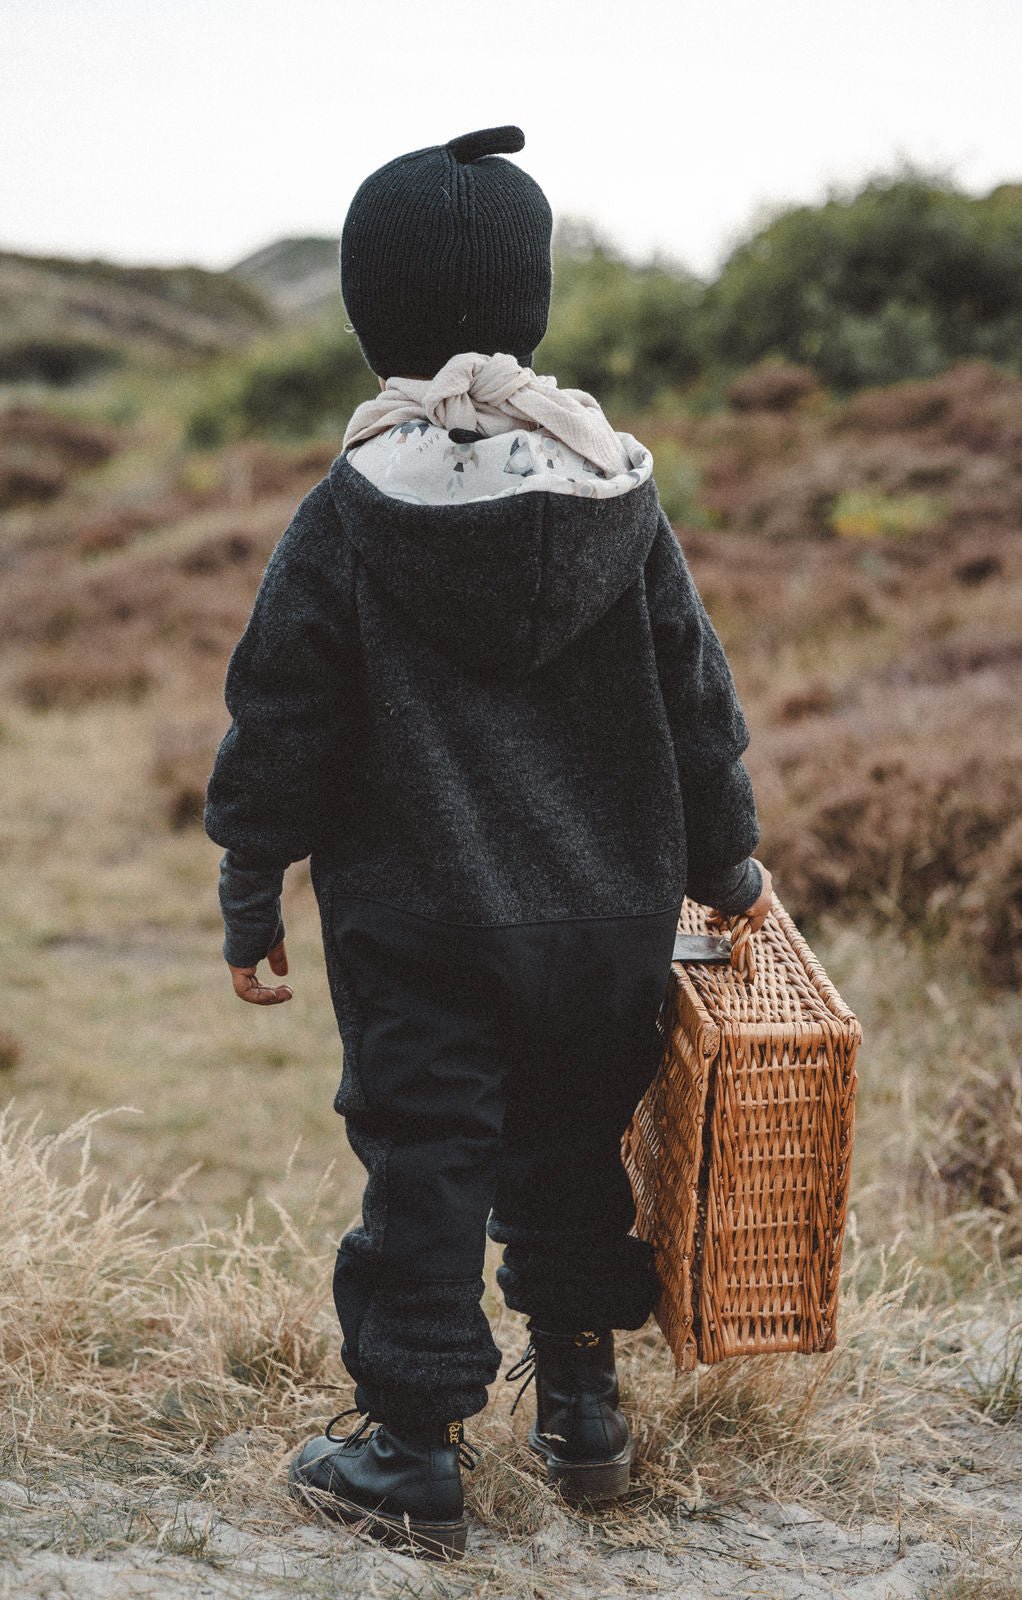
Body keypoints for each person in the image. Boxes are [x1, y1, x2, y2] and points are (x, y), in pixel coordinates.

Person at [204, 125, 772, 1561]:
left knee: (428, 1170)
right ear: (529, 304)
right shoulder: (616, 491)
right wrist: (731, 864)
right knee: (576, 1148)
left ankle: (409, 1450)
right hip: (602, 922)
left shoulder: (347, 509)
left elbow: (279, 716)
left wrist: (247, 886)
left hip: (419, 929)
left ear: (366, 314)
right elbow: (698, 698)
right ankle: (583, 1408)